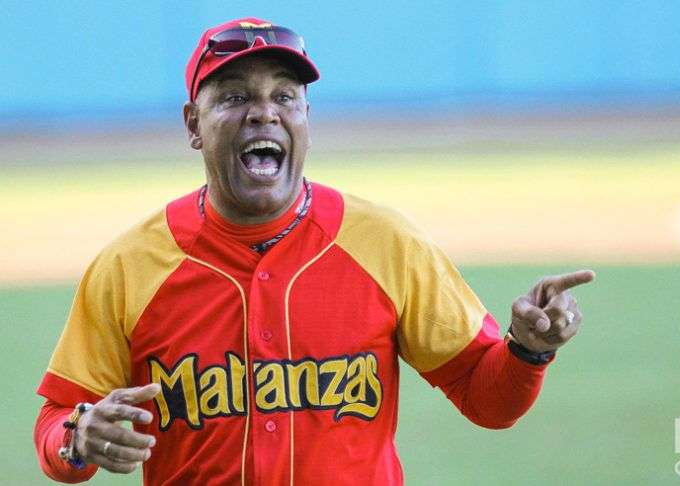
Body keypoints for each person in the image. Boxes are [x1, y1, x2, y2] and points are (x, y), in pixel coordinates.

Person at [34, 17, 595, 486]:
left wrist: (527, 350)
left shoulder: (385, 243)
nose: (264, 112)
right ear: (193, 125)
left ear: (306, 118)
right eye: (234, 97)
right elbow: (56, 423)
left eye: (285, 96)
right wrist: (79, 438)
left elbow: (486, 398)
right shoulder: (130, 267)